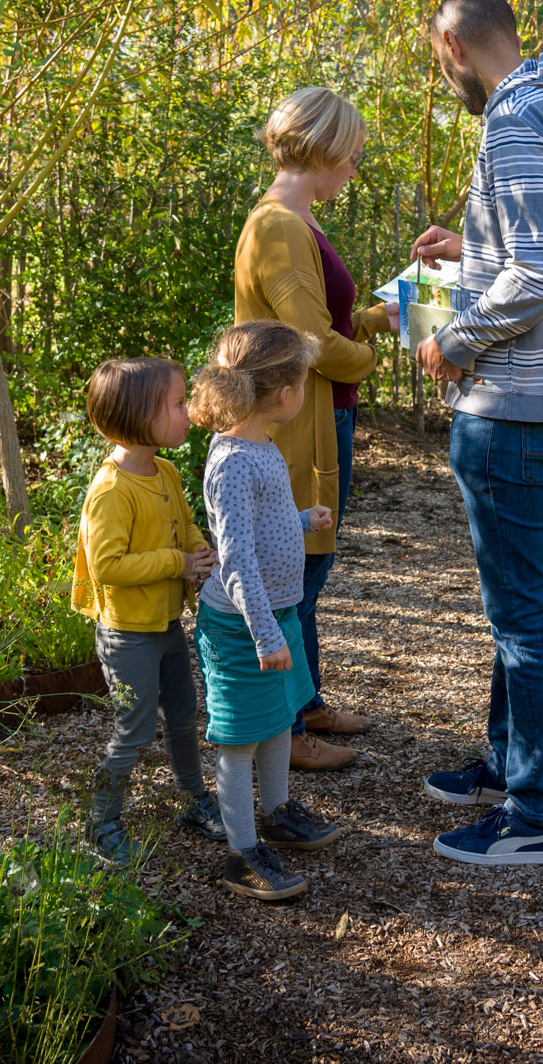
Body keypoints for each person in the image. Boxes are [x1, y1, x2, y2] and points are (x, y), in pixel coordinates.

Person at [410, 0, 543, 868]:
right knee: (510, 604)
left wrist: (452, 339)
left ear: (454, 44)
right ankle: (505, 760)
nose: (441, 73)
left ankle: (536, 812)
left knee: (521, 614)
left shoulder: (512, 123)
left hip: (510, 399)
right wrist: (471, 251)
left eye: (435, 57)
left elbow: (541, 276)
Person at [232, 87, 393, 772]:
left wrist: (368, 318)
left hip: (314, 409)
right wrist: (371, 354)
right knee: (295, 565)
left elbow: (315, 319)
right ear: (322, 148)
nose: (355, 167)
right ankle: (286, 726)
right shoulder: (279, 226)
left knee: (308, 564)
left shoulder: (295, 221)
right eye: (351, 155)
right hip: (296, 419)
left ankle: (307, 701)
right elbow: (309, 339)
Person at [190, 320, 349, 901]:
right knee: (239, 741)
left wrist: (303, 519)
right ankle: (240, 852)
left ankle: (277, 812)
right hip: (243, 628)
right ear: (284, 394)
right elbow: (234, 562)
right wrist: (264, 635)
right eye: (305, 382)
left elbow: (260, 528)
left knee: (281, 719)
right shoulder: (232, 460)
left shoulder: (257, 444)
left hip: (275, 617)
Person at [71, 356, 226, 866]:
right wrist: (176, 563)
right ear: (142, 416)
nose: (189, 412)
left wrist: (198, 551)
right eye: (179, 404)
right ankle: (103, 822)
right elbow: (109, 566)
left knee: (183, 719)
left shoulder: (164, 471)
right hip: (127, 635)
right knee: (134, 731)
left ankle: (194, 801)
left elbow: (183, 525)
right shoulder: (111, 492)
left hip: (165, 625)